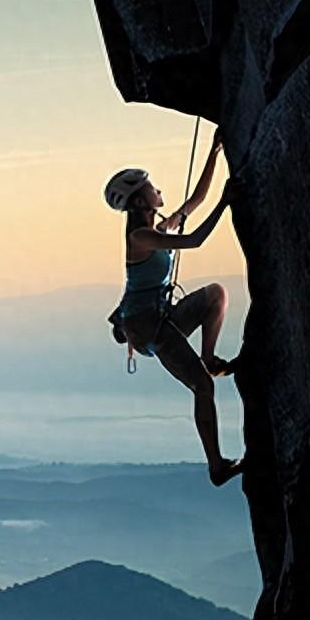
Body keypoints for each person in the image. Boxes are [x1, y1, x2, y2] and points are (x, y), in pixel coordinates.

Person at [103, 128, 243, 486]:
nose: (158, 190)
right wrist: (226, 203)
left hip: (158, 318)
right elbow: (195, 238)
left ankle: (209, 359)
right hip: (148, 327)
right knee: (202, 388)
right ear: (139, 202)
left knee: (215, 294)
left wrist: (215, 152)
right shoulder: (142, 238)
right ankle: (217, 466)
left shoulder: (155, 229)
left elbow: (194, 202)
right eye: (151, 188)